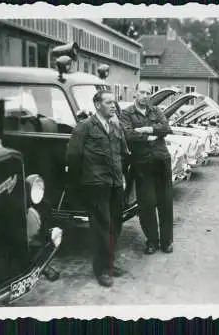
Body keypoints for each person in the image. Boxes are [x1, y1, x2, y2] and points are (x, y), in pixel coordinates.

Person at [66, 89, 129, 287]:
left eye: (114, 102)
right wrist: (79, 185)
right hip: (95, 184)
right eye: (109, 102)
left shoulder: (116, 126)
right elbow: (73, 157)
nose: (113, 105)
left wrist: (122, 175)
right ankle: (101, 269)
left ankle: (109, 263)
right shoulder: (84, 127)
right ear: (97, 105)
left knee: (115, 224)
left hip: (115, 183)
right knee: (102, 227)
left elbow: (123, 152)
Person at [119, 81, 174, 255]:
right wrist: (149, 136)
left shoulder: (156, 110)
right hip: (142, 164)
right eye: (142, 92)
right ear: (135, 93)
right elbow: (127, 134)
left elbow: (166, 128)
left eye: (148, 92)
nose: (145, 95)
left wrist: (146, 128)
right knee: (146, 204)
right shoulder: (127, 113)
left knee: (165, 202)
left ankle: (167, 242)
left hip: (161, 161)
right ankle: (152, 241)